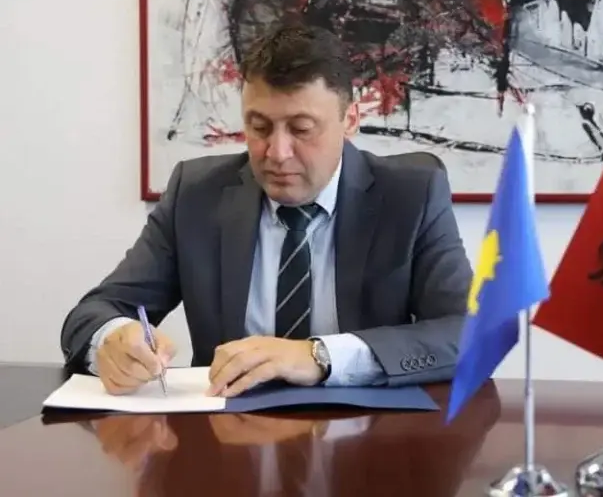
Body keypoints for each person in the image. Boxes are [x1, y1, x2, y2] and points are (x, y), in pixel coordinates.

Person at [60, 21, 473, 397]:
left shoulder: (411, 194)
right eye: (259, 127)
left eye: (301, 129)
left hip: (369, 437)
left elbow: (469, 333)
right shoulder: (196, 194)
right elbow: (94, 312)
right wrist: (112, 339)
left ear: (349, 120)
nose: (276, 152)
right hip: (226, 437)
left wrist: (318, 356)